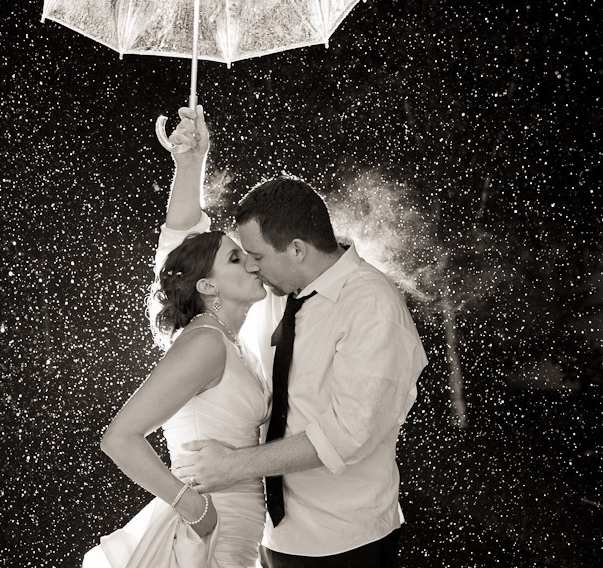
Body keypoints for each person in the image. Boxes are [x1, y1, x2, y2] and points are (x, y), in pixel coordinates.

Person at [166, 107, 429, 567]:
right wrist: (190, 165)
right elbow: (188, 263)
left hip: (344, 541)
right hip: (271, 534)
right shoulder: (272, 288)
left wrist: (232, 467)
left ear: (297, 249)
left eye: (254, 256)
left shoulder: (371, 306)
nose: (249, 265)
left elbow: (347, 435)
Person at [83, 106, 269, 568]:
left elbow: (183, 237)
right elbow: (119, 438)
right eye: (234, 259)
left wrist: (191, 163)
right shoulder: (205, 342)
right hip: (212, 536)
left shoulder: (230, 339)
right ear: (207, 287)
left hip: (245, 532)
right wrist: (195, 509)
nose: (251, 262)